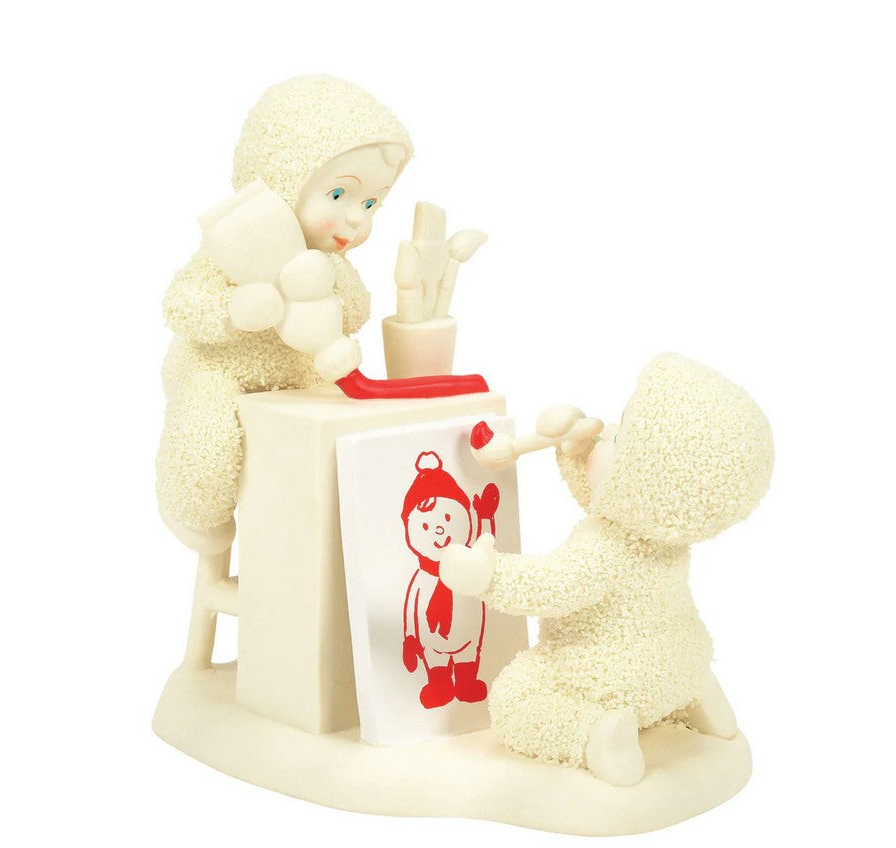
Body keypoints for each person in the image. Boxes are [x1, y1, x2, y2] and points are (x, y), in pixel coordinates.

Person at [440, 354, 774, 784]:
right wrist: (575, 452)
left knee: (517, 698)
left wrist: (489, 575)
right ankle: (697, 692)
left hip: (616, 682)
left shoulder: (607, 549)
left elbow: (556, 586)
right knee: (680, 666)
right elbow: (609, 498)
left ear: (640, 483)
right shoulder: (667, 535)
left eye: (618, 439)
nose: (606, 432)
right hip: (681, 660)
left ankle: (594, 735)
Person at [157, 75, 413, 554]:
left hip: (298, 372)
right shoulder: (231, 250)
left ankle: (327, 534)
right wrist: (233, 311)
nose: (357, 218)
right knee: (206, 440)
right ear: (278, 182)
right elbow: (181, 303)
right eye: (338, 195)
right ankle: (192, 507)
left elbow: (356, 312)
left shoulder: (331, 263)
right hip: (221, 367)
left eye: (371, 203)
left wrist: (328, 293)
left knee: (346, 429)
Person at [400, 452, 498, 709]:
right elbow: (411, 606)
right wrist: (410, 638)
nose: (439, 530)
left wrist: (485, 517)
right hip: (433, 643)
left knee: (468, 654)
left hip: (468, 636)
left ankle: (466, 682)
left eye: (447, 518)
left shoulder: (468, 562)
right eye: (425, 527)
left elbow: (486, 547)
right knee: (436, 658)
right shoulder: (423, 578)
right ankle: (439, 685)